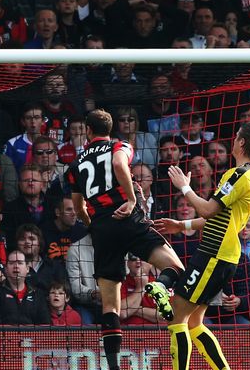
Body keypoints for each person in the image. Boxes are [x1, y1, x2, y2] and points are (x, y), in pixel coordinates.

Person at [68, 109, 185, 370]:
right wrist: (132, 200)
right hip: (127, 219)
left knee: (110, 306)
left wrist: (95, 226)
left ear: (88, 130)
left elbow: (78, 209)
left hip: (101, 229)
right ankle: (159, 286)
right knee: (176, 268)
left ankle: (113, 367)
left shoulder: (75, 165)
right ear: (109, 129)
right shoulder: (119, 145)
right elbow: (120, 164)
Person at [154, 121, 250, 370]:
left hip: (214, 253)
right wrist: (181, 225)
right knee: (195, 322)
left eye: (236, 136)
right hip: (222, 253)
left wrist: (184, 186)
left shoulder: (238, 175)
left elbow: (207, 209)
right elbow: (217, 218)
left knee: (176, 318)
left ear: (241, 142)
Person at [0, 250, 51, 325]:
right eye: (12, 263)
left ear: (27, 269)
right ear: (6, 269)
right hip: (5, 336)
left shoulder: (38, 294)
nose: (16, 266)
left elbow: (44, 325)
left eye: (20, 263)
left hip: (31, 336)